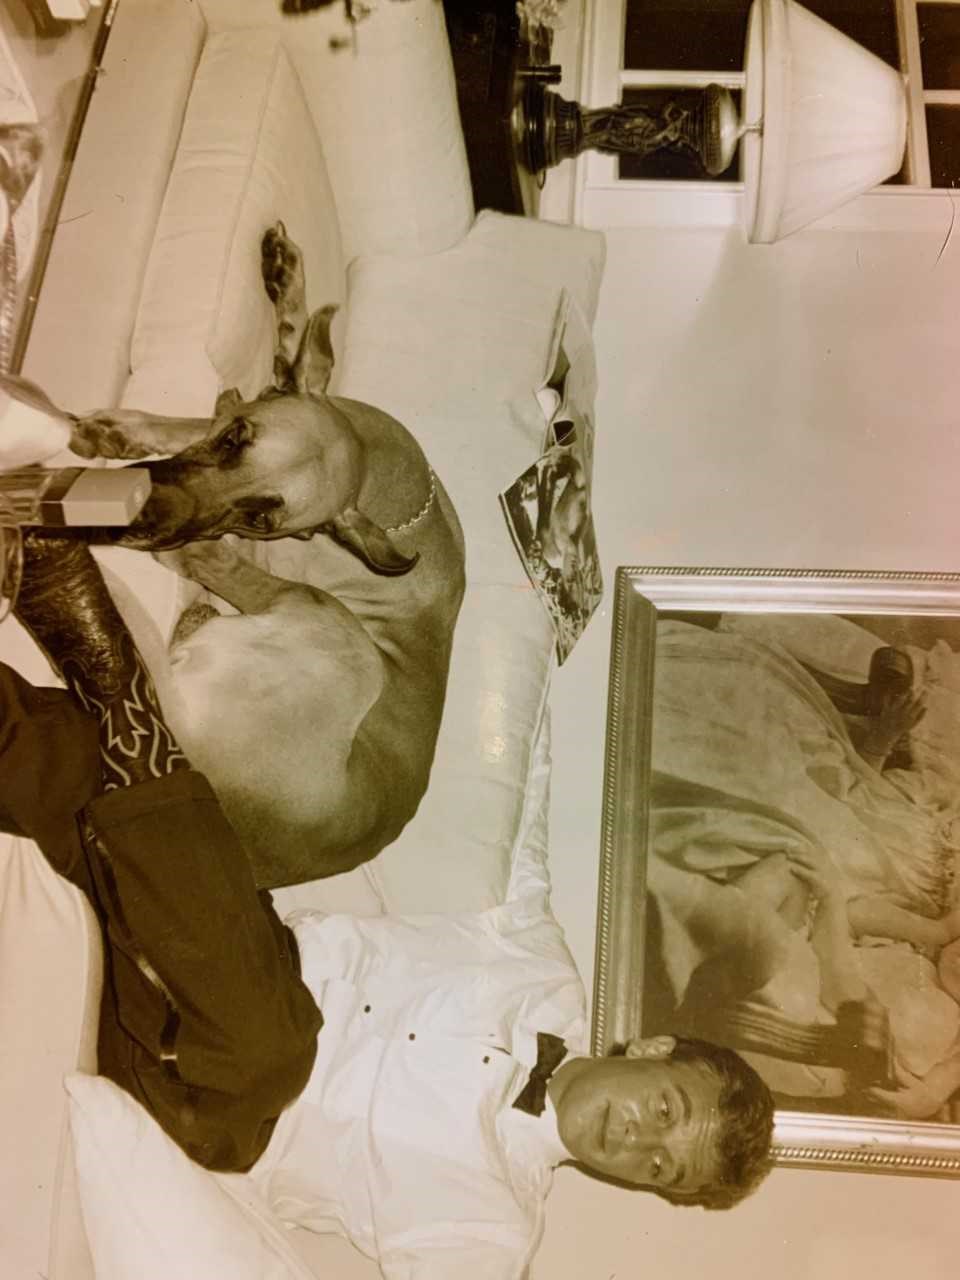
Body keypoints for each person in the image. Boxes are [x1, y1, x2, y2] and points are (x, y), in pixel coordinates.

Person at [3, 534, 775, 1277]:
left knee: (273, 1050)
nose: (638, 1144)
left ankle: (121, 694)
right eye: (665, 1113)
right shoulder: (539, 975)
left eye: (661, 1168)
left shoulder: (489, 1230)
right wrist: (542, 580)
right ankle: (121, 722)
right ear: (652, 1049)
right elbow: (521, 812)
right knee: (69, 762)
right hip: (205, 937)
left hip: (205, 1095)